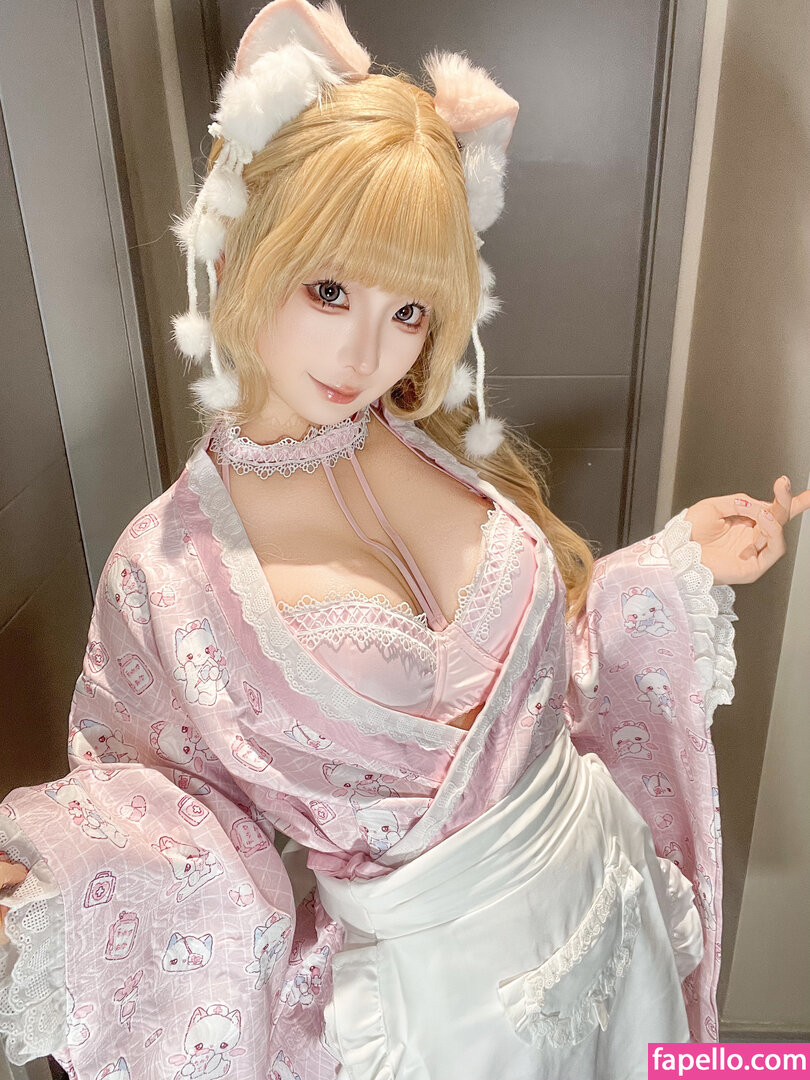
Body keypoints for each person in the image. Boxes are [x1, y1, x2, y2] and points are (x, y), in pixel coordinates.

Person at [1, 2, 808, 1077]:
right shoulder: (172, 574)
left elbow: (524, 690)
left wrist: (674, 566)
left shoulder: (428, 449)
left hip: (604, 891)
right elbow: (173, 815)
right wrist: (57, 886)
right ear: (240, 253)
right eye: (329, 289)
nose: (363, 354)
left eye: (409, 311)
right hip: (443, 1014)